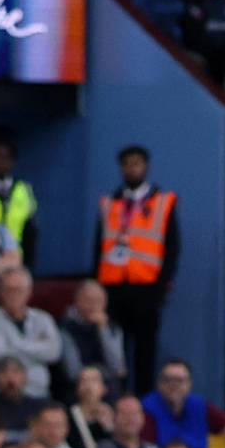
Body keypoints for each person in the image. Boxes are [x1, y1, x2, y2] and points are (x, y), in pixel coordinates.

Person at [95, 143, 180, 376]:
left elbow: (172, 248)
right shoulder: (109, 203)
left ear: (146, 167)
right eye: (127, 165)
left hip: (147, 289)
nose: (132, 169)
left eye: (137, 164)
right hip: (114, 289)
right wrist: (99, 288)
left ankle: (142, 404)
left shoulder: (163, 203)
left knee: (145, 354)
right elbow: (98, 247)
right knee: (113, 353)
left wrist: (160, 288)